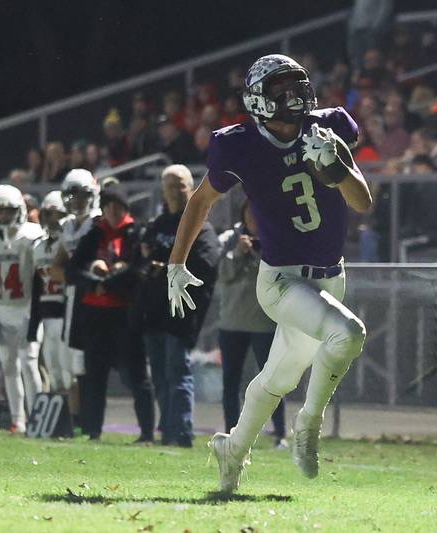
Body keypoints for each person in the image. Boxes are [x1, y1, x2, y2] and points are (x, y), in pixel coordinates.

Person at [166, 54, 371, 493]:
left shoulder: (329, 126)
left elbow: (362, 202)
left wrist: (335, 168)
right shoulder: (238, 144)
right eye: (281, 91)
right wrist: (175, 261)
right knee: (349, 335)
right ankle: (308, 426)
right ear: (259, 101)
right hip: (280, 280)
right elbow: (201, 201)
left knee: (279, 377)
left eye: (297, 87)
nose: (293, 98)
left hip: (330, 277)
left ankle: (233, 448)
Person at [135, 164, 220, 447]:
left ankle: (182, 432)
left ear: (192, 187)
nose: (175, 190)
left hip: (182, 311)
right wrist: (154, 265)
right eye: (170, 185)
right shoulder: (157, 224)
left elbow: (206, 264)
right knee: (159, 374)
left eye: (181, 184)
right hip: (155, 311)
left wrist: (167, 265)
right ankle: (167, 429)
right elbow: (142, 260)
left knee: (177, 371)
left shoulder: (201, 225)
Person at [67, 184, 155, 442]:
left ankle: (147, 433)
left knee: (136, 376)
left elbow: (140, 269)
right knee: (94, 377)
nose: (113, 211)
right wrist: (94, 282)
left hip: (125, 315)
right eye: (108, 206)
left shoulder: (136, 234)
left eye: (117, 206)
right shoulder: (94, 234)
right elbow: (73, 271)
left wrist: (111, 279)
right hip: (95, 316)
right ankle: (93, 430)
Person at [217, 202, 287, 448]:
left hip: (264, 323)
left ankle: (280, 433)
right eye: (249, 211)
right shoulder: (228, 238)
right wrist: (237, 252)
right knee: (231, 381)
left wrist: (260, 251)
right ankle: (231, 434)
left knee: (272, 380)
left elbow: (280, 275)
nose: (254, 217)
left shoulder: (276, 237)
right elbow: (222, 274)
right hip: (231, 322)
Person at [0, 185, 44, 433]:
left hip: (26, 307)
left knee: (29, 363)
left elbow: (39, 281)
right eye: (0, 212)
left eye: (9, 211)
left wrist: (34, 314)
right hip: (3, 308)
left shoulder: (32, 236)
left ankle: (37, 417)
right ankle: (18, 420)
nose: (4, 216)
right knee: (8, 366)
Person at [51, 169, 101, 431]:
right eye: (72, 196)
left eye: (82, 195)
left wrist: (74, 273)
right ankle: (78, 421)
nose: (78, 201)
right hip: (72, 298)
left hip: (94, 298)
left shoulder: (99, 223)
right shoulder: (67, 226)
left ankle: (90, 419)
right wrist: (74, 273)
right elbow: (56, 268)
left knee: (87, 363)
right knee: (72, 364)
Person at [28, 191, 71, 393]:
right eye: (49, 215)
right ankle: (60, 418)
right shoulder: (37, 246)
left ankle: (75, 419)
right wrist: (33, 323)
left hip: (65, 314)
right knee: (52, 369)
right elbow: (37, 288)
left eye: (59, 215)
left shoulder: (69, 245)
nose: (54, 221)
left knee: (67, 370)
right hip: (46, 314)